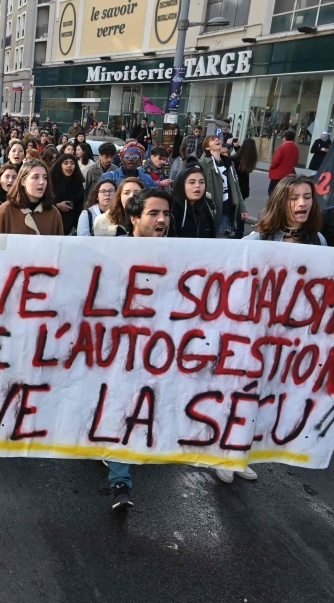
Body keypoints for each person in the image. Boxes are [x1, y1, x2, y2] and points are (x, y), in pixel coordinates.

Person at [103, 187, 173, 509]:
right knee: (121, 408)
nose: (162, 220)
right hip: (120, 351)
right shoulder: (112, 253)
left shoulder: (181, 254)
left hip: (162, 350)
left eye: (166, 214)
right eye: (154, 213)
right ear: (134, 218)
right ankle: (120, 480)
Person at [245, 174, 325, 248]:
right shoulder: (258, 240)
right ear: (280, 203)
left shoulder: (318, 240)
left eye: (307, 197)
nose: (302, 203)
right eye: (294, 198)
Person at [0, 159, 64, 235]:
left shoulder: (53, 213)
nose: (42, 182)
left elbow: (59, 245)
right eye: (36, 177)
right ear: (23, 181)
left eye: (45, 177)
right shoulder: (5, 211)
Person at [198, 135, 247, 238]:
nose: (217, 140)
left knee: (224, 238)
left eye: (218, 139)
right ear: (207, 147)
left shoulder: (229, 164)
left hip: (228, 207)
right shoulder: (202, 164)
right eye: (213, 139)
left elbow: (236, 187)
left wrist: (242, 208)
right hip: (212, 209)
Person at [169, 162, 216, 238]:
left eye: (201, 182)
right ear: (181, 184)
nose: (197, 186)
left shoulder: (207, 206)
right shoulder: (171, 208)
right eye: (192, 182)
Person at [50, 154, 85, 235]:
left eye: (72, 163)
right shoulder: (52, 182)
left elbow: (80, 205)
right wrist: (57, 205)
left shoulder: (78, 183)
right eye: (65, 163)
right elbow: (44, 201)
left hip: (73, 223)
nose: (69, 166)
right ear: (60, 165)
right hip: (54, 221)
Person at [268, 129, 299, 195]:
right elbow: (296, 160)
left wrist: (272, 167)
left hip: (278, 174)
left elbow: (276, 160)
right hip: (288, 173)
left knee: (272, 191)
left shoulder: (282, 147)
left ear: (285, 137)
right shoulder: (296, 148)